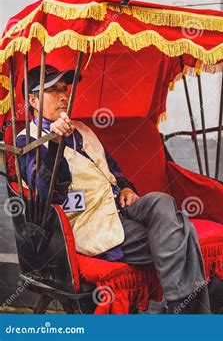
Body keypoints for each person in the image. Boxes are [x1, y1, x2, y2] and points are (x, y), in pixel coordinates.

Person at [17, 65, 210, 314]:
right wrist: (54, 145)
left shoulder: (82, 129)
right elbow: (48, 194)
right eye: (53, 90)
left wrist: (127, 188)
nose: (64, 95)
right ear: (32, 99)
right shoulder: (27, 140)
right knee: (181, 225)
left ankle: (182, 314)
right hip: (89, 221)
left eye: (65, 88)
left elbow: (113, 172)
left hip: (120, 206)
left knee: (162, 202)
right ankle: (185, 314)